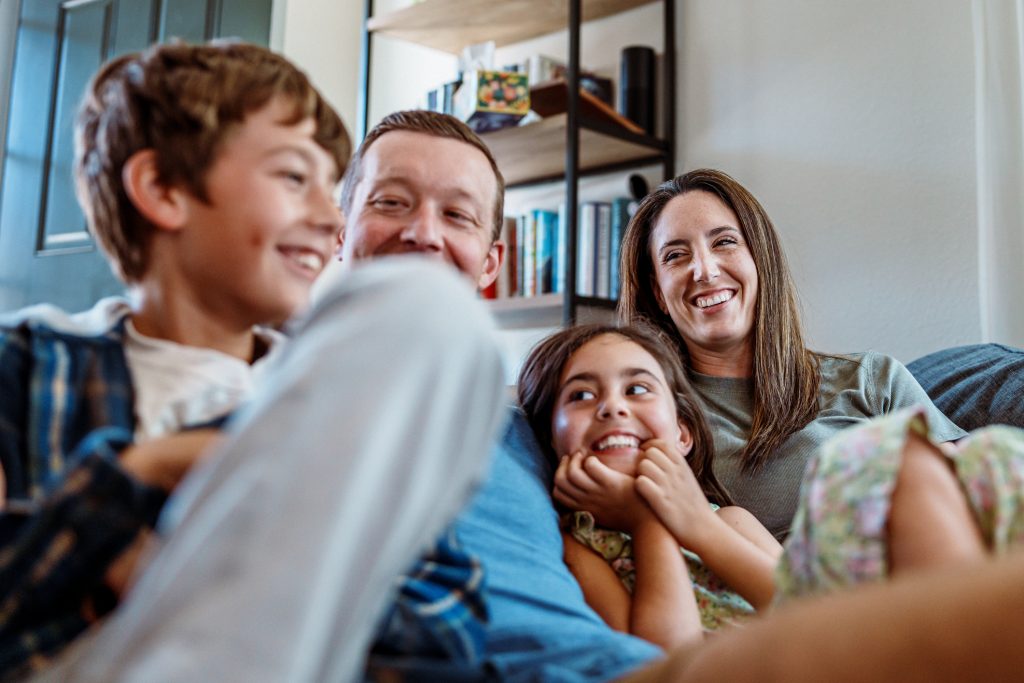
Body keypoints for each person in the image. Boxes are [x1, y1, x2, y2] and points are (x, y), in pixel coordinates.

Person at [1, 43, 507, 682]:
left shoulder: (340, 402)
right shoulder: (28, 364)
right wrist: (133, 478)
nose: (330, 219)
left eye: (332, 191)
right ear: (162, 189)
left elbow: (446, 632)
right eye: (296, 178)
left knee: (430, 308)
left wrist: (257, 565)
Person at [617, 168, 965, 539]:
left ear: (760, 260)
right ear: (658, 293)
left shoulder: (872, 377)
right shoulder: (653, 418)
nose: (704, 269)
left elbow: (978, 497)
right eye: (675, 255)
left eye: (724, 243)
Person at [518, 323, 780, 649]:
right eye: (581, 395)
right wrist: (647, 523)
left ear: (682, 433)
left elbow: (822, 612)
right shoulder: (579, 548)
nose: (613, 407)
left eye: (637, 389)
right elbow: (664, 660)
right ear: (550, 440)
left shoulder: (732, 521)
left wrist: (699, 525)